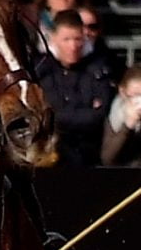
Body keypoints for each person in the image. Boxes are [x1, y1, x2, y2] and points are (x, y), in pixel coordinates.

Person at [33, 11, 113, 167]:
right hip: (50, 156)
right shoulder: (41, 70)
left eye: (77, 39)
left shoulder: (98, 69)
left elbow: (98, 116)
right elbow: (42, 115)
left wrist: (59, 116)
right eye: (66, 39)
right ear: (54, 39)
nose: (73, 46)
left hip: (88, 154)